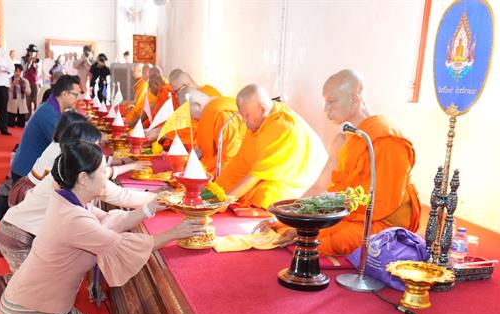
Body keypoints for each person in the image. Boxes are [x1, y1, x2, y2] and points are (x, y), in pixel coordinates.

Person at [0, 140, 205, 314]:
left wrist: (149, 208)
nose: (107, 177)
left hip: (33, 303)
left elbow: (109, 222)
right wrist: (175, 232)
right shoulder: (74, 218)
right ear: (84, 178)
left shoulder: (68, 201)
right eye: (102, 171)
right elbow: (120, 245)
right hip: (32, 313)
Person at [0, 120, 152, 310]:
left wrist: (128, 169)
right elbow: (122, 196)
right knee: (32, 291)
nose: (97, 152)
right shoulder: (76, 177)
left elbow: (105, 175)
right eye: (95, 146)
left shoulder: (68, 168)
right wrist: (157, 199)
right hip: (18, 234)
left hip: (21, 226)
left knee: (33, 281)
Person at [255, 69, 421, 255]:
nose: (326, 109)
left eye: (332, 101)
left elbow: (382, 204)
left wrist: (321, 220)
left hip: (382, 222)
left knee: (322, 242)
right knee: (297, 229)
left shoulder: (386, 138)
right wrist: (286, 217)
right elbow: (320, 186)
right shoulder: (343, 139)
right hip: (348, 214)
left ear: (355, 100)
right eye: (325, 102)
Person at [216, 84, 325, 209]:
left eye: (246, 116)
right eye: (242, 115)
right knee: (220, 188)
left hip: (297, 183)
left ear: (262, 109)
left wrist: (225, 201)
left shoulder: (282, 126)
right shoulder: (258, 121)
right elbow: (242, 160)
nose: (244, 121)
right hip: (267, 175)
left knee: (265, 195)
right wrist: (219, 190)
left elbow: (256, 175)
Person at [10, 75, 81, 183]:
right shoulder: (49, 113)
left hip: (28, 168)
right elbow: (64, 146)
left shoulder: (50, 107)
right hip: (26, 174)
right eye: (75, 95)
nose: (78, 98)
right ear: (65, 94)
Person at [178, 87, 246, 174]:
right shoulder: (214, 108)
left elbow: (229, 155)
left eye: (190, 113)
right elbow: (208, 147)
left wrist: (204, 174)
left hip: (237, 170)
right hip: (221, 163)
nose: (192, 118)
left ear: (197, 104)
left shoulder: (222, 114)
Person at [21, 44, 42, 118]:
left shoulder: (38, 60)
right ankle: (27, 116)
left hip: (35, 82)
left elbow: (39, 73)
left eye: (34, 52)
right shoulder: (23, 59)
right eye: (31, 51)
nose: (32, 53)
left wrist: (36, 67)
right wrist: (29, 64)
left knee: (36, 100)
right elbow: (23, 70)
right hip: (27, 82)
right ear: (28, 52)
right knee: (28, 100)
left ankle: (36, 117)